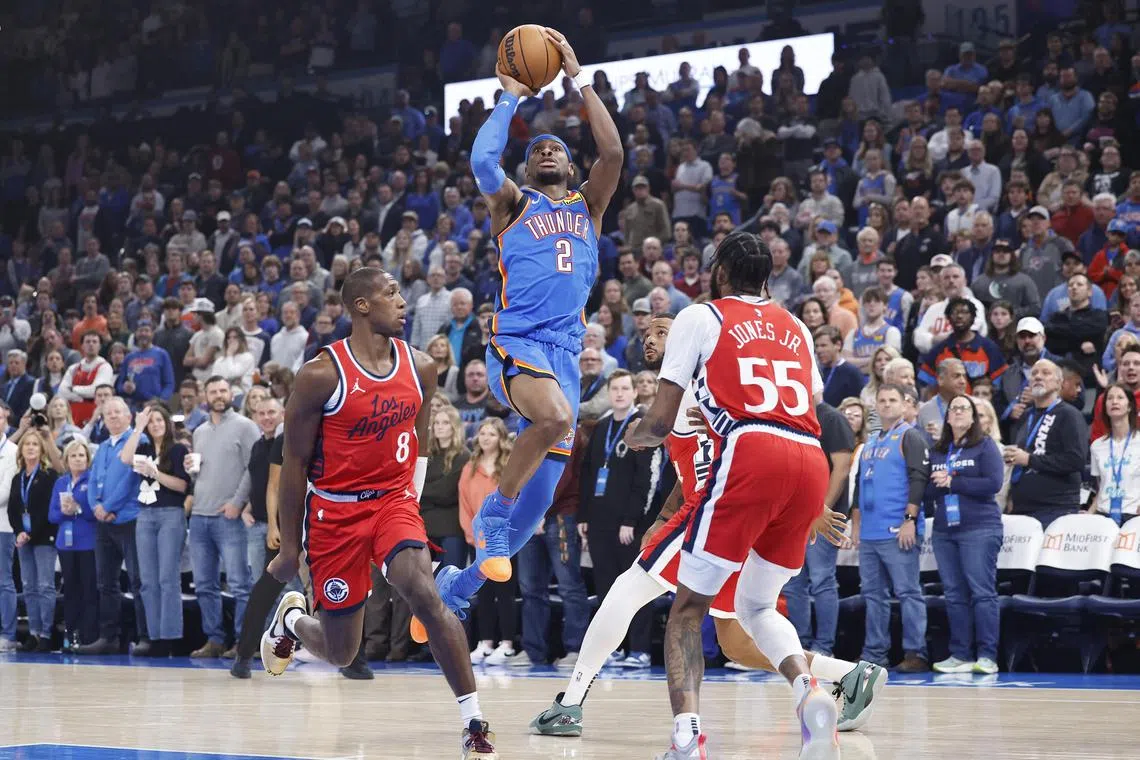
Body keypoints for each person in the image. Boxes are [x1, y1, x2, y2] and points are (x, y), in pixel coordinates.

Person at [532, 309, 883, 740]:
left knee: (626, 591)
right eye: (646, 332)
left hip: (716, 511)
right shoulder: (689, 390)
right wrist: (662, 516)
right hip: (733, 516)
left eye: (663, 331)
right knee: (736, 640)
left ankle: (571, 703)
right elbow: (689, 472)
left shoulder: (697, 387)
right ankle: (849, 673)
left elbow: (734, 448)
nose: (651, 338)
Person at [416, 29, 624, 646]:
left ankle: (453, 591)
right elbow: (483, 162)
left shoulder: (589, 207)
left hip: (564, 354)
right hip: (518, 341)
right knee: (557, 425)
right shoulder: (512, 204)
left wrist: (580, 80)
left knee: (533, 520)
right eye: (538, 149)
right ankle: (495, 513)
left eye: (559, 146)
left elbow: (611, 155)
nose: (550, 150)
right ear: (530, 167)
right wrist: (507, 95)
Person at [262, 267, 501, 757]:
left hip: (392, 501)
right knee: (341, 651)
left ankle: (473, 720)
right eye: (390, 292)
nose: (402, 300)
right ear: (361, 306)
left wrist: (409, 498)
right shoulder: (320, 375)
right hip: (335, 514)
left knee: (423, 591)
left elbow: (417, 441)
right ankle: (290, 622)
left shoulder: (421, 367)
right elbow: (294, 465)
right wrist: (290, 547)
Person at [623, 232, 841, 758]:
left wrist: (633, 436)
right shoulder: (795, 326)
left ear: (719, 273)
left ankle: (687, 738)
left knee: (687, 610)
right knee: (757, 604)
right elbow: (815, 405)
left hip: (751, 449)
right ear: (767, 278)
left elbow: (662, 418)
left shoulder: (702, 315)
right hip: (809, 456)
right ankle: (807, 691)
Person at [851, 384, 931, 673]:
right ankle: (874, 652)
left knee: (908, 592)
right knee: (873, 595)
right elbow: (859, 483)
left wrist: (910, 520)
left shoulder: (910, 436)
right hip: (870, 532)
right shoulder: (870, 441)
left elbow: (919, 478)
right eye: (881, 400)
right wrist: (856, 523)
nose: (886, 405)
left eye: (892, 400)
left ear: (904, 404)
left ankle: (915, 653)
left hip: (897, 529)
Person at [579, 370, 656, 668]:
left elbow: (645, 481)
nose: (620, 394)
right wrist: (584, 515)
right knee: (606, 588)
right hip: (599, 521)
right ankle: (613, 647)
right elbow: (587, 473)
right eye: (615, 389)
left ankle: (640, 648)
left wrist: (631, 520)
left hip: (629, 525)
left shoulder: (642, 426)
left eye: (625, 388)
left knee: (634, 588)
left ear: (635, 392)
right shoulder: (600, 427)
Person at [926, 394, 1004, 675]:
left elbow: (994, 483)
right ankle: (960, 654)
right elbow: (927, 490)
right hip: (945, 530)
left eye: (964, 408)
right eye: (953, 408)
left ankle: (987, 656)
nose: (958, 412)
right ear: (947, 417)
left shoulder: (984, 446)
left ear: (973, 417)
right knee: (954, 593)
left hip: (980, 527)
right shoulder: (937, 450)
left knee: (982, 593)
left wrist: (954, 481)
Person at [185, 376, 259, 658]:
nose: (218, 395)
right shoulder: (200, 431)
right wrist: (190, 468)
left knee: (240, 583)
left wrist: (237, 503)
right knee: (204, 585)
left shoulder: (245, 426)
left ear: (231, 394)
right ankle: (214, 639)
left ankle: (244, 641)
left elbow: (254, 467)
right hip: (200, 517)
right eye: (213, 390)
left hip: (229, 517)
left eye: (223, 390)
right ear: (206, 395)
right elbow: (202, 471)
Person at [74, 396, 147, 655]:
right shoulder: (103, 446)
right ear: (103, 420)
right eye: (109, 414)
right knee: (106, 583)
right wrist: (96, 507)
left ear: (129, 416)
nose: (114, 417)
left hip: (128, 519)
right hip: (103, 522)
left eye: (118, 412)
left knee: (139, 581)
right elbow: (93, 480)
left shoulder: (139, 441)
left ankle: (145, 637)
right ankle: (109, 637)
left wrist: (109, 507)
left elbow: (130, 479)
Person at [782, 402, 855, 659]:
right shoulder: (788, 415)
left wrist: (820, 509)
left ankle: (824, 647)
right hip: (790, 517)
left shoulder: (831, 417)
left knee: (822, 580)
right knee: (792, 584)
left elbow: (842, 467)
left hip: (824, 516)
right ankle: (800, 645)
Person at [122, 404, 191, 657]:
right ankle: (153, 635)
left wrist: (155, 473)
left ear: (167, 422)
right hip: (145, 515)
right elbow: (125, 458)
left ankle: (169, 637)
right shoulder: (144, 448)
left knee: (167, 578)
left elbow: (182, 485)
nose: (156, 425)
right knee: (148, 581)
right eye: (151, 422)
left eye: (159, 420)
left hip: (170, 514)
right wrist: (137, 426)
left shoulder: (178, 449)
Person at [461, 417, 520, 666]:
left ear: (501, 438)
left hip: (503, 538)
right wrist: (471, 533)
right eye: (482, 434)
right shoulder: (470, 467)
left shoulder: (509, 465)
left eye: (492, 434)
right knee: (482, 592)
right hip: (478, 539)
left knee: (505, 591)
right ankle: (485, 643)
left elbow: (517, 498)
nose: (486, 438)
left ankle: (507, 643)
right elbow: (464, 502)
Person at [1005, 359, 1089, 525]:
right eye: (1034, 373)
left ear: (1059, 383)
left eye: (1045, 373)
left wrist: (1029, 460)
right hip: (1022, 508)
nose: (1038, 377)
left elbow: (1076, 460)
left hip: (1055, 508)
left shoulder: (1069, 415)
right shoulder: (1025, 416)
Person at [7, 429, 58, 651]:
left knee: (45, 585)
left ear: (41, 449)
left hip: (43, 537)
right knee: (28, 586)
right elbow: (13, 509)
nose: (30, 447)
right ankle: (34, 633)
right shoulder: (18, 478)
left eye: (35, 444)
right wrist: (19, 531)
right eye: (26, 444)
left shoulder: (48, 476)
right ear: (21, 450)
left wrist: (30, 533)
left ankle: (46, 633)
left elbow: (48, 509)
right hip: (23, 539)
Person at [47, 439, 99, 649]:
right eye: (73, 456)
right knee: (70, 591)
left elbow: (96, 512)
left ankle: (89, 637)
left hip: (88, 543)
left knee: (89, 590)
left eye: (81, 455)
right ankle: (70, 636)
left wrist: (78, 509)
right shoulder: (61, 482)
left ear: (88, 459)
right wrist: (64, 512)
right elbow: (52, 515)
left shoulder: (93, 480)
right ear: (66, 460)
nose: (78, 459)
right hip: (65, 544)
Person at [419, 405, 469, 571]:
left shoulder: (463, 456)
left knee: (450, 581)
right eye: (437, 422)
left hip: (451, 529)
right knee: (428, 582)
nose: (439, 426)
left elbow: (447, 493)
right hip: (425, 527)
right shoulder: (427, 454)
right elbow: (416, 485)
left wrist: (423, 491)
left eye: (445, 422)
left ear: (454, 426)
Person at [1087, 384, 1140, 524]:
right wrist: (1088, 515)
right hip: (1103, 516)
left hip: (1134, 516)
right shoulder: (1097, 446)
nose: (1114, 401)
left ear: (1129, 406)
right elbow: (1101, 488)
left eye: (1120, 397)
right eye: (1110, 398)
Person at [58, 330, 112, 426]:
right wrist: (80, 398)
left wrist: (73, 389)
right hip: (72, 416)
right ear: (82, 346)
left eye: (94, 342)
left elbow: (95, 391)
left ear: (100, 346)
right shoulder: (73, 368)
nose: (91, 344)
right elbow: (62, 392)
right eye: (87, 341)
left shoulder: (105, 367)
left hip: (95, 417)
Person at [0, 401, 16, 653]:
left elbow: (5, 492)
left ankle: (7, 634)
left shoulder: (13, 450)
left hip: (3, 525)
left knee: (4, 581)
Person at [815, 325, 864, 406]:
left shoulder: (852, 373)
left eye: (823, 345)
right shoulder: (817, 373)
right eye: (816, 346)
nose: (819, 350)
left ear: (838, 345)